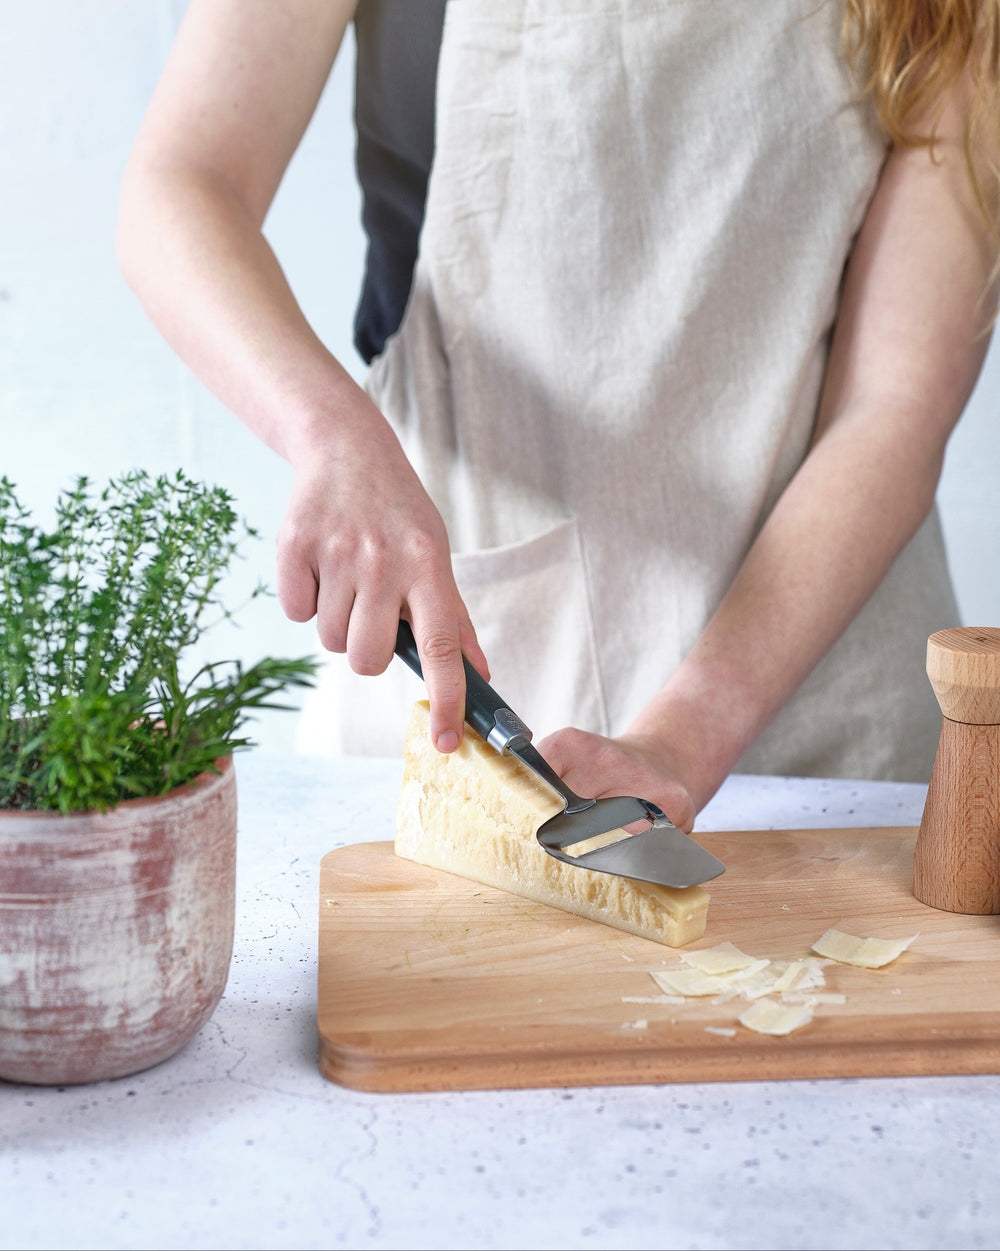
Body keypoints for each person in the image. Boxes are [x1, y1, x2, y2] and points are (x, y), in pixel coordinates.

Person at [117, 0, 999, 833]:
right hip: (478, 708)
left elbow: (892, 405)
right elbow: (186, 185)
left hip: (824, 741)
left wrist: (686, 733)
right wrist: (331, 437)